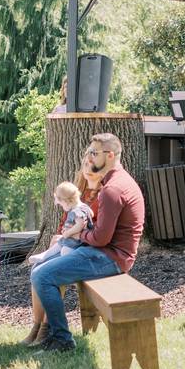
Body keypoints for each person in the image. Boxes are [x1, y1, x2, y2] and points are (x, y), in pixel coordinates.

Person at [29, 133, 145, 352]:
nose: (90, 157)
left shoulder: (112, 189)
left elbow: (101, 238)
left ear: (110, 155)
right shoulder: (116, 181)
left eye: (94, 153)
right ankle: (44, 331)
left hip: (110, 258)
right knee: (40, 268)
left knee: (42, 275)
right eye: (89, 152)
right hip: (103, 252)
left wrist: (76, 236)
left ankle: (62, 339)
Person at [20, 159, 104, 347]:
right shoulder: (74, 193)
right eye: (85, 172)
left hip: (86, 250)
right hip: (70, 242)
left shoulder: (102, 196)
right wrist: (60, 237)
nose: (87, 176)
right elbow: (66, 222)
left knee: (47, 273)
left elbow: (93, 230)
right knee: (38, 267)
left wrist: (70, 235)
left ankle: (47, 328)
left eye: (92, 173)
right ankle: (37, 325)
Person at [28, 182, 93, 265]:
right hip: (72, 239)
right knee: (59, 243)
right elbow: (91, 213)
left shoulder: (76, 211)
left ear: (67, 201)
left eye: (61, 205)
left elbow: (80, 225)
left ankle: (62, 266)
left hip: (77, 242)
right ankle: (44, 255)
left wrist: (68, 232)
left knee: (64, 251)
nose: (62, 207)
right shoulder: (84, 206)